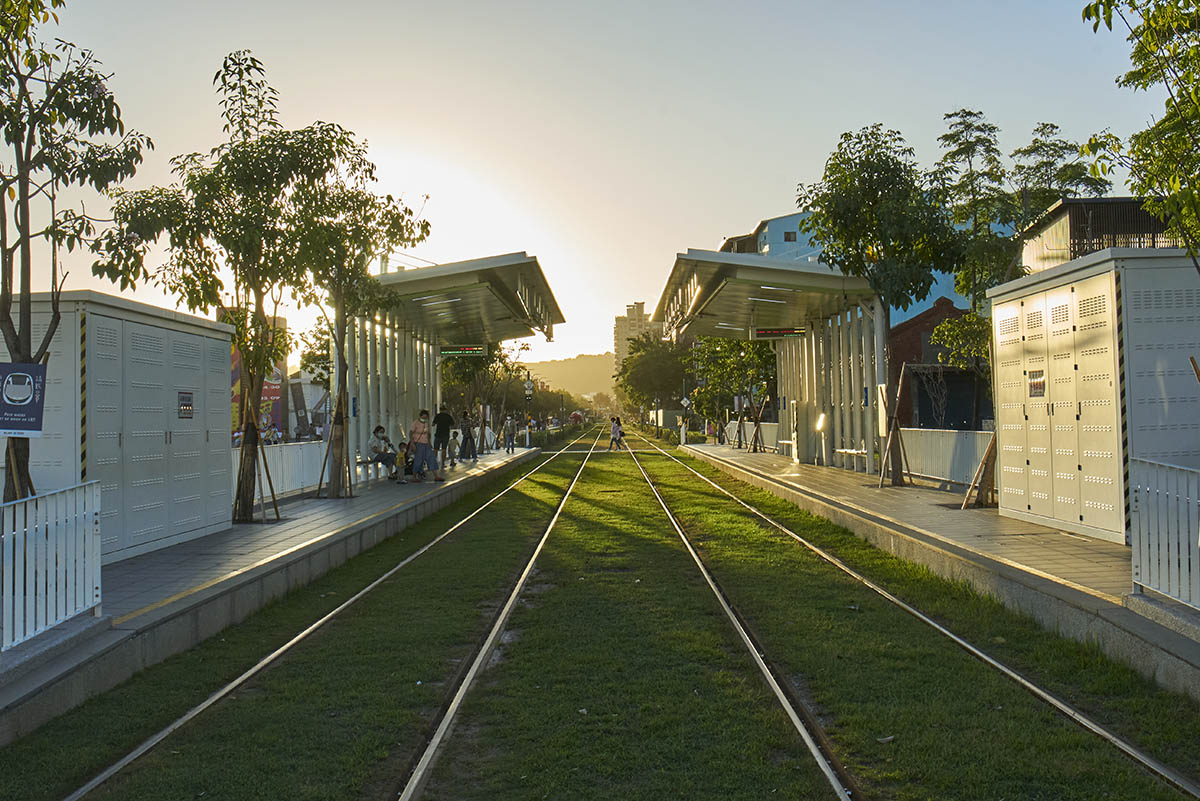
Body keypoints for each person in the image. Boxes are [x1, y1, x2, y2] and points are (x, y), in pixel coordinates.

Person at [407, 409, 444, 482]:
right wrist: (412, 443)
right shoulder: (415, 423)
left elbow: (428, 434)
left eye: (426, 418)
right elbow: (411, 433)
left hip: (426, 443)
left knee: (431, 458)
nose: (424, 419)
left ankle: (436, 476)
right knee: (418, 460)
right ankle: (414, 476)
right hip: (418, 444)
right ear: (420, 416)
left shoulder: (426, 424)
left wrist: (429, 443)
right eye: (423, 418)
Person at [432, 404, 455, 469]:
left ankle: (433, 463)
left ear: (440, 409)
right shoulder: (448, 416)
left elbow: (433, 424)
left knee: (435, 449)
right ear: (445, 410)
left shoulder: (438, 416)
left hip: (438, 435)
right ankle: (442, 464)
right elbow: (453, 425)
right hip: (445, 435)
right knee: (444, 449)